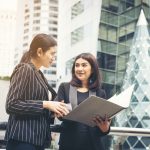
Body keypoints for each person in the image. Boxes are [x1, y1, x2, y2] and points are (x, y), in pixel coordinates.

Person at [5, 33, 69, 150]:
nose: (53, 58)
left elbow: (38, 109)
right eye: (52, 54)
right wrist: (46, 104)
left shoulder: (39, 75)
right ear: (40, 52)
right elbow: (11, 105)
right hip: (23, 140)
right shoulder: (24, 69)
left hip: (36, 141)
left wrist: (54, 111)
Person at [55, 52, 111, 150]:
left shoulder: (100, 92)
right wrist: (58, 113)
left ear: (92, 69)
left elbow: (102, 127)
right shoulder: (65, 87)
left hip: (93, 145)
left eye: (84, 65)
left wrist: (105, 129)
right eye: (77, 65)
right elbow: (58, 112)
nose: (80, 69)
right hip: (69, 144)